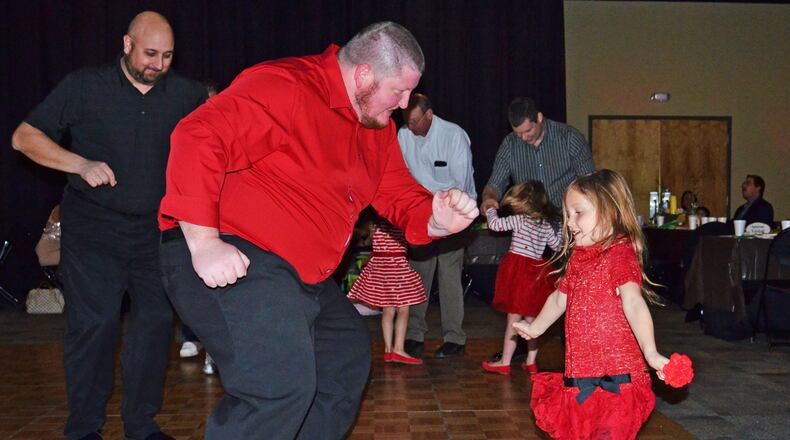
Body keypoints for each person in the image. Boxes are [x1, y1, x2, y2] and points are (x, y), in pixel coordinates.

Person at [157, 21, 478, 439]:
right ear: (363, 74)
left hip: (296, 276)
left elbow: (399, 196)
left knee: (343, 360)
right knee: (277, 386)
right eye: (397, 91)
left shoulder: (377, 129)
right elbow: (197, 135)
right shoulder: (286, 86)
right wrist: (204, 241)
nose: (403, 104)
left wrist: (437, 219)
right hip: (231, 253)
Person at [11, 11, 206, 440]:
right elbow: (24, 137)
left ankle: (141, 424)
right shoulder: (84, 86)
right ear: (126, 44)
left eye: (167, 56)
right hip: (93, 230)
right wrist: (79, 163)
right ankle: (83, 429)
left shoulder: (188, 95)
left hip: (156, 233)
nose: (157, 64)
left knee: (155, 324)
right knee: (95, 325)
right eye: (150, 54)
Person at [513, 169, 670, 440]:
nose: (570, 223)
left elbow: (633, 302)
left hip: (617, 378)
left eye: (578, 213)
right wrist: (536, 328)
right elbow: (560, 297)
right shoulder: (578, 258)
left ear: (610, 211)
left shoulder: (619, 254)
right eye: (567, 215)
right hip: (582, 373)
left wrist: (651, 352)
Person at [397, 93, 477, 359]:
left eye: (416, 122)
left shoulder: (454, 136)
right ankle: (414, 334)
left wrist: (445, 215)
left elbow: (461, 183)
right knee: (418, 273)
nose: (411, 127)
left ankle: (454, 337)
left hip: (454, 213)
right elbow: (401, 176)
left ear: (429, 115)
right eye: (408, 122)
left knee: (449, 273)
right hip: (420, 213)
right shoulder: (403, 136)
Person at [480, 180, 561, 375]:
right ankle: (531, 361)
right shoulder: (545, 225)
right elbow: (558, 247)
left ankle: (505, 362)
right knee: (531, 321)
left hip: (518, 272)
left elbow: (496, 225)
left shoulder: (520, 220)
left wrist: (490, 209)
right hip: (537, 273)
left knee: (513, 319)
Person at [480, 97, 595, 212]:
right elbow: (495, 184)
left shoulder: (570, 138)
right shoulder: (509, 144)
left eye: (528, 131)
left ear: (539, 118)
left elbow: (589, 183)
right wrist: (488, 199)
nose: (524, 138)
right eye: (518, 133)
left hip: (565, 217)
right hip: (529, 220)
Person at [178, 81, 220, 376]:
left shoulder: (224, 131)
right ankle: (192, 336)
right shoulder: (183, 132)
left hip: (219, 223)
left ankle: (215, 351)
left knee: (217, 288)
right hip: (185, 225)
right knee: (190, 286)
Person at [347, 219, 426, 365]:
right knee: (403, 309)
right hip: (397, 266)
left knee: (388, 311)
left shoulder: (375, 223)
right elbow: (414, 243)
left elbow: (369, 240)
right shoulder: (401, 221)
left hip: (380, 267)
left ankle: (388, 350)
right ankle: (399, 348)